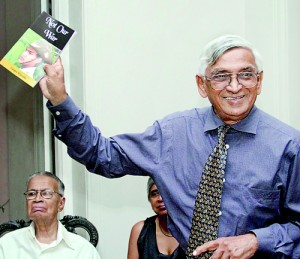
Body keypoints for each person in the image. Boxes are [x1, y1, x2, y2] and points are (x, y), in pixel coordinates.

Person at [39, 35, 300, 258]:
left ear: (260, 81)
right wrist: (60, 100)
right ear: (202, 85)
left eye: (246, 74)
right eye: (221, 76)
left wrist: (255, 240)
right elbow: (103, 156)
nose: (235, 86)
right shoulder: (172, 134)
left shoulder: (288, 145)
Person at [0, 171, 101, 259]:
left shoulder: (83, 250)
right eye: (31, 194)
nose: (37, 199)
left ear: (61, 204)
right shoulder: (7, 244)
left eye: (46, 193)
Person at [128, 177, 186, 259]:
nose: (160, 199)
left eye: (165, 191)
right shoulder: (140, 231)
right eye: (154, 193)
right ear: (149, 199)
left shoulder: (193, 228)